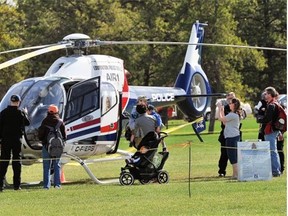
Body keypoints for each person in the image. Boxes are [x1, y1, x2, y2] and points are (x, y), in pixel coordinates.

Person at [0, 94, 30, 191]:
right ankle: (17, 185)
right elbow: (27, 123)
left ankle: (0, 185)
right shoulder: (20, 112)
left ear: (10, 101)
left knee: (4, 161)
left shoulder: (3, 112)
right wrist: (26, 113)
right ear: (19, 102)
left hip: (5, 140)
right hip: (17, 140)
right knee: (17, 162)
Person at [38, 104, 66, 189]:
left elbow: (40, 136)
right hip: (57, 146)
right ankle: (57, 184)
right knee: (57, 164)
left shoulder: (44, 121)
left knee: (46, 166)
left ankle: (46, 186)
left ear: (48, 112)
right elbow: (64, 136)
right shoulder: (60, 122)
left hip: (46, 146)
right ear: (57, 112)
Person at [257, 86, 281, 177]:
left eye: (266, 94)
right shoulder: (274, 103)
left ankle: (275, 171)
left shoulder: (271, 105)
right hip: (273, 130)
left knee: (272, 150)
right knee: (272, 150)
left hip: (270, 130)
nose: (264, 95)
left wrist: (259, 119)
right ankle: (274, 170)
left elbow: (268, 119)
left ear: (270, 95)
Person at [217, 97, 242, 179]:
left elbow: (220, 119)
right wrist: (221, 110)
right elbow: (224, 122)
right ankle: (235, 174)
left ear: (234, 105)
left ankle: (236, 174)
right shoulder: (233, 114)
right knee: (232, 155)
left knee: (232, 156)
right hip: (232, 136)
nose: (229, 105)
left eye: (231, 103)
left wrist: (219, 109)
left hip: (232, 137)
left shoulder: (233, 115)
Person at [217, 92, 235, 177]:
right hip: (225, 133)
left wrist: (221, 109)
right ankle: (222, 171)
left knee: (236, 154)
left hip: (235, 134)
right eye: (229, 98)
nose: (230, 100)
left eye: (232, 99)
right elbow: (222, 121)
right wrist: (220, 109)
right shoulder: (225, 107)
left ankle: (237, 171)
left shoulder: (237, 109)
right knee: (224, 154)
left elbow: (224, 120)